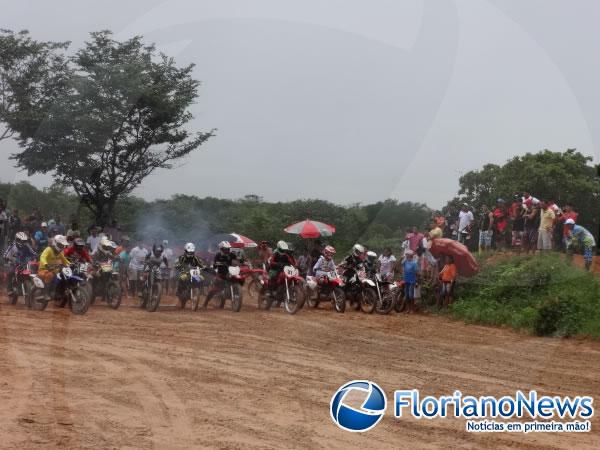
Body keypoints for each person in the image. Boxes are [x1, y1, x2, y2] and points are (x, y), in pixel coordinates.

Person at [204, 241, 238, 307]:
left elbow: (236, 261)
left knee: (237, 280)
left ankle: (236, 293)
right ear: (221, 249)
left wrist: (239, 263)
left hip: (230, 272)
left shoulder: (232, 255)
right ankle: (206, 302)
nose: (227, 251)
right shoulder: (218, 255)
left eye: (228, 249)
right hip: (221, 274)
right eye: (225, 249)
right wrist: (217, 264)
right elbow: (214, 264)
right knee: (215, 289)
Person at [3, 232, 38, 296]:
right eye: (21, 241)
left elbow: (33, 253)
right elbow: (5, 254)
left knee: (32, 273)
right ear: (17, 239)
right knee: (10, 273)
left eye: (24, 241)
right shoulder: (12, 246)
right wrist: (7, 258)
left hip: (24, 264)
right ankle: (9, 289)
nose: (23, 242)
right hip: (13, 264)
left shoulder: (27, 246)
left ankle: (32, 290)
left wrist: (35, 256)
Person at [38, 234, 70, 299]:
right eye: (60, 245)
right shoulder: (49, 249)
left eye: (62, 245)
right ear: (55, 243)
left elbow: (64, 260)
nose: (61, 246)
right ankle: (45, 293)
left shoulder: (60, 252)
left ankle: (57, 292)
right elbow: (42, 257)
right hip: (44, 270)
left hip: (54, 271)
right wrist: (46, 264)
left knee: (63, 276)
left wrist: (71, 264)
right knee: (50, 275)